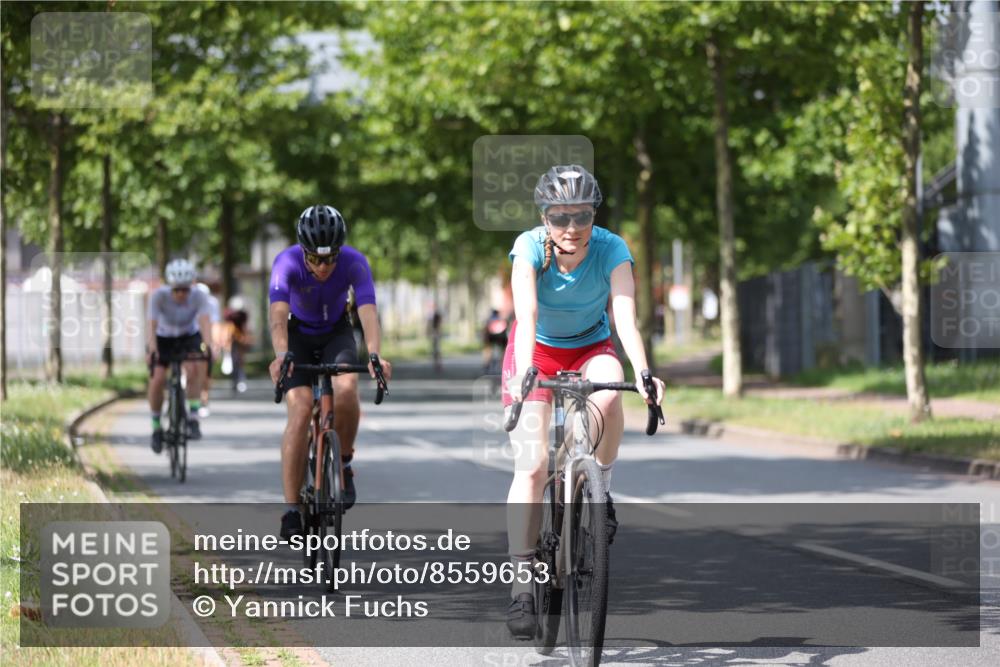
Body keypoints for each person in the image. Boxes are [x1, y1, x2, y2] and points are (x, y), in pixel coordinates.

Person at [502, 165, 665, 638]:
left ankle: (600, 488)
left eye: (581, 216)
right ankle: (522, 588)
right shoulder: (529, 248)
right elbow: (526, 315)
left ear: (595, 215)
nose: (571, 228)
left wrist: (644, 370)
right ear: (544, 217)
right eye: (560, 217)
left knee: (611, 392)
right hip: (536, 351)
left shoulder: (613, 249)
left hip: (591, 347)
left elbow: (625, 317)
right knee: (532, 466)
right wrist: (522, 377)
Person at [268, 205, 392, 540]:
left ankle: (345, 463)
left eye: (330, 259)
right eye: (315, 259)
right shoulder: (286, 262)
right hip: (298, 336)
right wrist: (282, 355)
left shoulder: (354, 261)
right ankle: (292, 509)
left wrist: (376, 354)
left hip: (337, 332)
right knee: (300, 408)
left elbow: (367, 311)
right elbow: (278, 316)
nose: (323, 267)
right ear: (304, 252)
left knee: (347, 389)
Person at [147, 259, 213, 452]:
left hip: (187, 336)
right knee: (157, 379)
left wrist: (208, 346)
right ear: (170, 287)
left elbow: (205, 322)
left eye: (185, 290)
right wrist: (151, 348)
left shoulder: (199, 296)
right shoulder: (158, 296)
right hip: (163, 337)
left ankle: (193, 417)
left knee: (193, 369)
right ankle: (156, 427)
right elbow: (150, 325)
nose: (181, 294)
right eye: (177, 290)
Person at [194, 282, 222, 417]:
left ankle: (204, 399)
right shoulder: (188, 301)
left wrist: (215, 344)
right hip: (190, 336)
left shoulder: (212, 304)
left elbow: (214, 324)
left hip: (206, 336)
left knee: (205, 370)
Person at [223, 295, 251, 393]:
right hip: (231, 339)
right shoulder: (229, 315)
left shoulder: (243, 315)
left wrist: (245, 338)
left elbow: (244, 327)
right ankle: (235, 381)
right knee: (233, 360)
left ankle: (241, 380)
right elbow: (228, 328)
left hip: (240, 338)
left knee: (240, 360)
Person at [481, 308, 509, 375]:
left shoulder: (488, 320)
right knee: (503, 350)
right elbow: (506, 329)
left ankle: (486, 364)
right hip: (501, 337)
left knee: (487, 349)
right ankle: (502, 364)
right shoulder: (501, 320)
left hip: (490, 337)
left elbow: (485, 330)